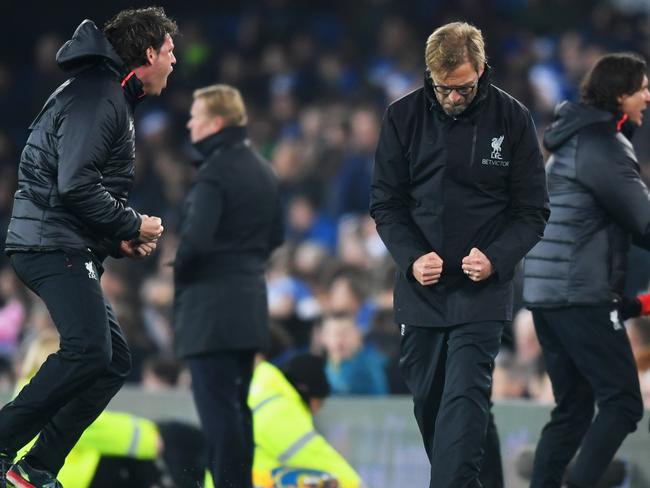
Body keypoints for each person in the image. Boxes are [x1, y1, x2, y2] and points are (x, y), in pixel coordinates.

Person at [0, 7, 177, 487]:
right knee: (88, 350)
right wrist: (132, 222)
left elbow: (74, 186)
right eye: (169, 51)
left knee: (112, 359)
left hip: (59, 238)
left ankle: (34, 470)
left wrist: (117, 236)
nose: (174, 60)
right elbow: (75, 184)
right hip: (49, 243)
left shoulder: (105, 92)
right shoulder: (100, 95)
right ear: (147, 53)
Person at [369, 21, 549, 487]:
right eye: (443, 88)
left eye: (464, 88)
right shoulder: (401, 117)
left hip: (481, 291)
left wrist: (496, 257)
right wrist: (411, 257)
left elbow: (532, 211)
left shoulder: (512, 119)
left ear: (482, 69)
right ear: (429, 74)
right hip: (421, 290)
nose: (453, 97)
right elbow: (386, 203)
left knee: (463, 405)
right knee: (431, 408)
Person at [523, 52, 650, 488]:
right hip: (578, 292)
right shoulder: (603, 144)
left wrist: (630, 303)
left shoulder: (572, 140)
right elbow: (644, 221)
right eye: (642, 89)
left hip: (546, 291)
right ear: (620, 95)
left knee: (573, 408)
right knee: (622, 404)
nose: (648, 98)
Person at [173, 84, 284, 488]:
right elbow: (277, 236)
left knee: (218, 413)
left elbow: (196, 242)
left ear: (216, 123)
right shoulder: (263, 170)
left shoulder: (214, 173)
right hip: (250, 305)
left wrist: (179, 270)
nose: (189, 123)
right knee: (238, 408)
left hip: (210, 312)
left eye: (196, 116)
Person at [247, 354, 362, 488]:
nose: (316, 411)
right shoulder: (278, 410)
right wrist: (356, 484)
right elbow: (315, 456)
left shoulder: (263, 390)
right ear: (304, 389)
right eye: (319, 403)